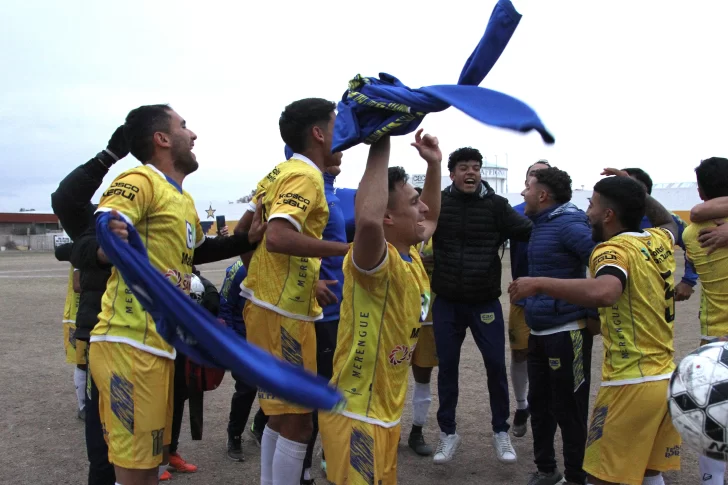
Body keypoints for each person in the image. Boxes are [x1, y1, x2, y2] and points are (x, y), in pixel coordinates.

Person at [89, 104, 264, 485]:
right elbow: (108, 218)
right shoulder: (139, 180)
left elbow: (198, 251)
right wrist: (111, 232)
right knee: (133, 474)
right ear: (162, 139)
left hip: (160, 346)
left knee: (148, 470)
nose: (194, 134)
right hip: (128, 342)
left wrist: (246, 239)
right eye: (184, 126)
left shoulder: (182, 198)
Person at [509, 172, 680, 485]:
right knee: (647, 471)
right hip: (665, 377)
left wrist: (540, 284)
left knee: (599, 477)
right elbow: (669, 223)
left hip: (631, 383)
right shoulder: (657, 240)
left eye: (591, 205)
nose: (586, 212)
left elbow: (605, 292)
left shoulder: (611, 251)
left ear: (608, 214)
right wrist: (637, 191)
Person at [319, 129, 442, 484]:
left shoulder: (412, 255)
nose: (423, 208)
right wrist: (381, 136)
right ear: (389, 217)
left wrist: (434, 165)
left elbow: (430, 218)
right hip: (358, 414)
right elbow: (369, 219)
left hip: (385, 414)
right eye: (414, 202)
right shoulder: (375, 261)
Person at [240, 98, 350, 485]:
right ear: (318, 134)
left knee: (281, 417)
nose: (343, 135)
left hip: (277, 305)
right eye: (338, 126)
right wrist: (345, 249)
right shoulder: (305, 176)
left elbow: (247, 233)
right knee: (300, 424)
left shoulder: (280, 171)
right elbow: (277, 236)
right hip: (279, 312)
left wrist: (310, 278)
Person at [431, 146, 532, 464]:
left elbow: (530, 231)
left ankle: (500, 431)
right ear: (452, 173)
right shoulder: (438, 203)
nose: (471, 172)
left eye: (476, 167)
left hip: (484, 302)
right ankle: (448, 433)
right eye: (464, 167)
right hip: (446, 302)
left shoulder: (497, 206)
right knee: (446, 368)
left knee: (494, 365)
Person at [52, 126, 128, 485]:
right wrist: (108, 158)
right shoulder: (104, 219)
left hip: (159, 339)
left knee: (147, 438)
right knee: (105, 443)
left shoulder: (173, 207)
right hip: (108, 337)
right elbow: (65, 200)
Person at [519, 167, 596, 485]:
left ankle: (577, 476)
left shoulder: (569, 224)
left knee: (569, 408)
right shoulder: (541, 222)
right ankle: (546, 469)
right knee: (539, 405)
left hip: (568, 331)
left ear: (542, 195)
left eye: (528, 187)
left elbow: (603, 261)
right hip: (539, 330)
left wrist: (592, 313)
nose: (523, 193)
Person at [681, 157, 728, 485]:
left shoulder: (691, 232)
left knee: (711, 422)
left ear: (700, 190)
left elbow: (698, 215)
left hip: (713, 341)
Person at [508, 159, 550, 438]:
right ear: (526, 182)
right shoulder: (512, 213)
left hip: (554, 298)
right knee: (520, 353)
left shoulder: (565, 216)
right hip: (522, 298)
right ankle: (522, 405)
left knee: (550, 357)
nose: (537, 178)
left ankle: (545, 407)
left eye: (543, 175)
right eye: (533, 174)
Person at [622, 167, 698, 301]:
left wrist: (688, 281)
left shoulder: (670, 220)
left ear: (644, 192)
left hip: (657, 299)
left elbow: (694, 247)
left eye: (627, 186)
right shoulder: (606, 220)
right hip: (616, 299)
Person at [219, 259, 259, 463]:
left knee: (280, 387)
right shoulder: (237, 269)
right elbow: (224, 306)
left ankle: (259, 426)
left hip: (268, 337)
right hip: (242, 339)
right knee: (248, 388)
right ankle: (234, 435)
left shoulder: (278, 259)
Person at [409, 187, 437, 457]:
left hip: (428, 316)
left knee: (423, 373)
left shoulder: (432, 233)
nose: (420, 209)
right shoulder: (388, 234)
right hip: (394, 317)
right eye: (413, 203)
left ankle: (417, 430)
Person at [55, 243, 84, 418]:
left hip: (98, 313)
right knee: (82, 362)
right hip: (77, 315)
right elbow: (60, 252)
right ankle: (83, 406)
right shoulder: (82, 247)